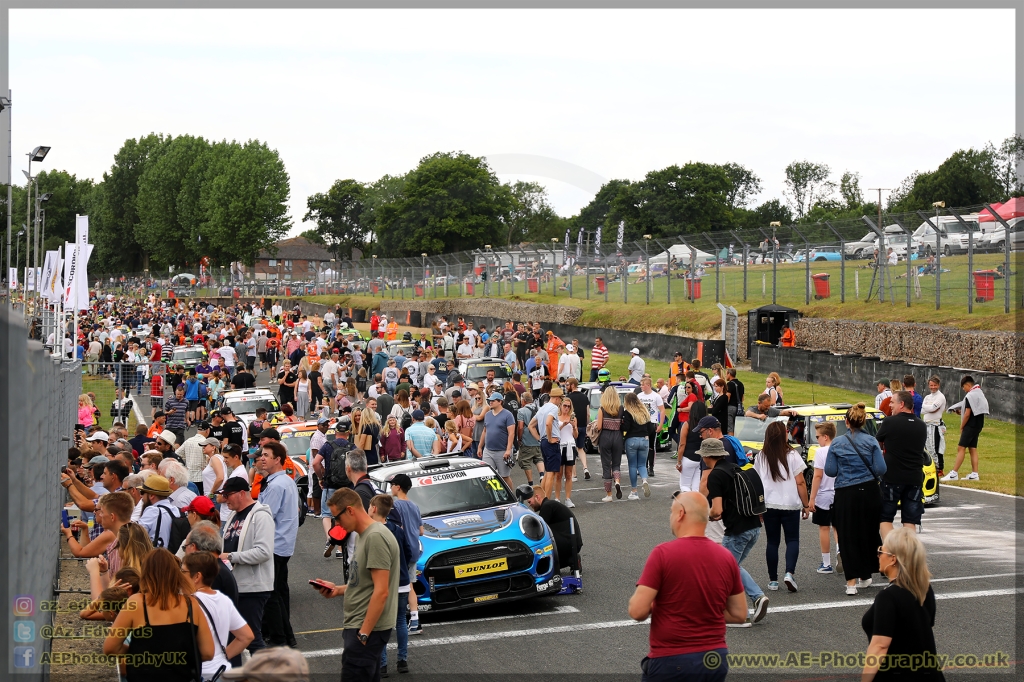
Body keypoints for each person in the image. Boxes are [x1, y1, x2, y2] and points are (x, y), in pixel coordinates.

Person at [628, 491, 748, 681]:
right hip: (715, 657)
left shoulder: (663, 554)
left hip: (672, 659)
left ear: (681, 513)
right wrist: (703, 610)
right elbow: (740, 614)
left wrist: (667, 606)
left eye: (671, 511)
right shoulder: (726, 557)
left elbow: (637, 611)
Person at [311, 488, 400, 682]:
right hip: (360, 626)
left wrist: (364, 634)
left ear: (350, 510)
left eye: (337, 517)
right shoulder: (362, 535)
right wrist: (337, 590)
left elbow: (382, 591)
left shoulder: (375, 537)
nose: (336, 523)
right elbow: (363, 584)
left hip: (366, 629)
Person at [102, 548, 215, 681]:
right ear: (175, 573)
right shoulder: (191, 604)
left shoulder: (137, 602)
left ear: (145, 573)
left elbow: (110, 648)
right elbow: (208, 653)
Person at [699, 437, 769, 625]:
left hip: (737, 530)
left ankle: (749, 603)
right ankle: (743, 608)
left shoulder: (715, 476)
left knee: (726, 568)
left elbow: (717, 509)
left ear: (707, 456)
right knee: (732, 568)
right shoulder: (734, 468)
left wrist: (706, 516)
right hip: (754, 526)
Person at [861, 527, 944, 681]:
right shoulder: (924, 589)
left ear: (893, 559)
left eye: (881, 551)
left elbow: (879, 647)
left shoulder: (888, 597)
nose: (878, 555)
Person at [824, 403, 888, 596]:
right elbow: (881, 469)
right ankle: (866, 573)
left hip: (846, 491)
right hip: (869, 491)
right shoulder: (871, 441)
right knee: (868, 532)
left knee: (847, 534)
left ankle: (851, 581)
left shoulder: (837, 443)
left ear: (846, 421)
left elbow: (831, 470)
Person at [218, 476, 275, 652]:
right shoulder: (233, 515)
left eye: (228, 495)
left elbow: (264, 552)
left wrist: (230, 556)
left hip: (253, 587)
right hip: (237, 586)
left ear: (242, 493)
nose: (225, 499)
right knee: (236, 637)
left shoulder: (261, 516)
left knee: (251, 637)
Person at [754, 421, 810, 592]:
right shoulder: (792, 455)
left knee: (772, 542)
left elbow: (757, 483)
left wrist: (758, 507)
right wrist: (806, 505)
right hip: (790, 504)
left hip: (769, 504)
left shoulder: (761, 457)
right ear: (783, 435)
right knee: (792, 539)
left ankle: (772, 580)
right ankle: (789, 573)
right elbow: (800, 482)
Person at [183, 551, 255, 680]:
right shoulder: (223, 599)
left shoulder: (189, 603)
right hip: (221, 671)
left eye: (183, 572)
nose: (180, 576)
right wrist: (221, 657)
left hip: (199, 674)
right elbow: (246, 636)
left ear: (197, 576)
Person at [256, 441, 299, 648]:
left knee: (270, 593)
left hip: (274, 544)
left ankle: (280, 637)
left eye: (266, 455)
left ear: (277, 460)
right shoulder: (286, 481)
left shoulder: (276, 485)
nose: (262, 458)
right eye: (261, 455)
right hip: (284, 544)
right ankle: (287, 636)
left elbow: (264, 516)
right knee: (279, 591)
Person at [875, 390, 927, 539]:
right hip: (914, 478)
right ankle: (908, 554)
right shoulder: (921, 425)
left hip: (892, 477)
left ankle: (890, 552)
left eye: (892, 402)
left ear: (902, 404)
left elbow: (876, 442)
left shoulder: (890, 422)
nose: (890, 405)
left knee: (885, 518)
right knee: (910, 520)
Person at [388, 474, 424, 636]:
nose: (390, 488)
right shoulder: (415, 506)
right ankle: (415, 620)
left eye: (392, 485)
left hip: (402, 551)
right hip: (415, 550)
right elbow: (421, 531)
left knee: (400, 586)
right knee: (410, 585)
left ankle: (399, 620)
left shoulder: (396, 507)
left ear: (398, 487)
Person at [521, 485, 582, 571]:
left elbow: (539, 530)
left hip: (569, 542)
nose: (529, 505)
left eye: (529, 501)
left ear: (537, 497)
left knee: (539, 547)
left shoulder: (547, 506)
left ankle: (572, 559)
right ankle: (572, 559)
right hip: (571, 541)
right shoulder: (550, 504)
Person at [941, 375, 988, 482]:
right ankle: (975, 473)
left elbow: (967, 413)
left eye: (963, 387)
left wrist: (962, 426)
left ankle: (954, 473)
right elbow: (973, 410)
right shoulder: (979, 393)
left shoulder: (970, 396)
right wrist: (959, 412)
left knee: (961, 448)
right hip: (978, 424)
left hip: (970, 425)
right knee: (972, 448)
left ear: (967, 385)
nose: (963, 390)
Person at [808, 421, 839, 574]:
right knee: (838, 526)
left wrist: (811, 498)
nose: (817, 439)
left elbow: (818, 475)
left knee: (824, 527)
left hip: (824, 494)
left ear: (825, 437)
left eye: (818, 436)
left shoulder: (820, 452)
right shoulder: (840, 449)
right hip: (839, 492)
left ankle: (826, 563)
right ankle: (840, 552)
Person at [529, 386, 564, 500]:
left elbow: (531, 426)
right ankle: (546, 500)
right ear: (557, 398)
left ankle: (541, 498)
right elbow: (549, 423)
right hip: (551, 442)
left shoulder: (542, 408)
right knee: (551, 473)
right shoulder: (553, 408)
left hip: (543, 442)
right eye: (561, 399)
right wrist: (549, 438)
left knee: (547, 471)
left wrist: (540, 438)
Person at [480, 392, 517, 487]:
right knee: (487, 475)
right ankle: (493, 495)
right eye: (489, 400)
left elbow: (511, 433)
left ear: (500, 402)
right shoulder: (487, 415)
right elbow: (484, 431)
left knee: (504, 476)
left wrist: (508, 450)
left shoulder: (508, 415)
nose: (490, 402)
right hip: (488, 450)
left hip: (502, 450)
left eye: (493, 401)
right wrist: (480, 447)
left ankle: (511, 497)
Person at [594, 385, 624, 502]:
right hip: (617, 436)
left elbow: (599, 426)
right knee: (616, 464)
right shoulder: (620, 408)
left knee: (606, 465)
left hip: (605, 436)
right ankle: (617, 481)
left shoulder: (602, 409)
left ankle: (609, 494)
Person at [621, 392, 652, 500]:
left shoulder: (628, 412)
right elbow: (651, 428)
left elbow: (626, 428)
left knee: (632, 465)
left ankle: (634, 491)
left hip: (632, 440)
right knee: (642, 465)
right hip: (644, 439)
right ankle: (644, 480)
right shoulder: (644, 412)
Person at [675, 402, 708, 492]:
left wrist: (679, 461)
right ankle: (695, 504)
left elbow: (682, 444)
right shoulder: (707, 426)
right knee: (696, 487)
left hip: (688, 458)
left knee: (684, 485)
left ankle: (687, 503)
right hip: (701, 459)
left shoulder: (688, 424)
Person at [552, 398, 579, 507]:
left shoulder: (573, 418)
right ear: (561, 406)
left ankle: (568, 498)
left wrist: (573, 426)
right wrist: (563, 424)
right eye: (565, 406)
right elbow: (555, 432)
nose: (566, 408)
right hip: (559, 446)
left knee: (568, 474)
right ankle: (557, 498)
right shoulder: (556, 417)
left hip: (570, 445)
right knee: (558, 474)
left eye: (568, 406)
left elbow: (576, 435)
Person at [636, 378, 665, 478]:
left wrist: (661, 424)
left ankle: (651, 467)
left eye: (642, 385)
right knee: (641, 446)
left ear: (648, 385)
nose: (641, 386)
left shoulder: (656, 396)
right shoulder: (639, 396)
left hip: (652, 422)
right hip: (641, 423)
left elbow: (662, 410)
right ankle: (642, 467)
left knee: (651, 446)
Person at [921, 375, 947, 475]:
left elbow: (932, 408)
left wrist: (929, 408)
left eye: (934, 385)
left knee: (936, 446)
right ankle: (931, 466)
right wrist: (930, 408)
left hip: (935, 425)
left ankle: (939, 467)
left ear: (938, 385)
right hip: (926, 424)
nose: (933, 387)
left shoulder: (940, 397)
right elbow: (923, 410)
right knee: (927, 446)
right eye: (931, 385)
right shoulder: (927, 397)